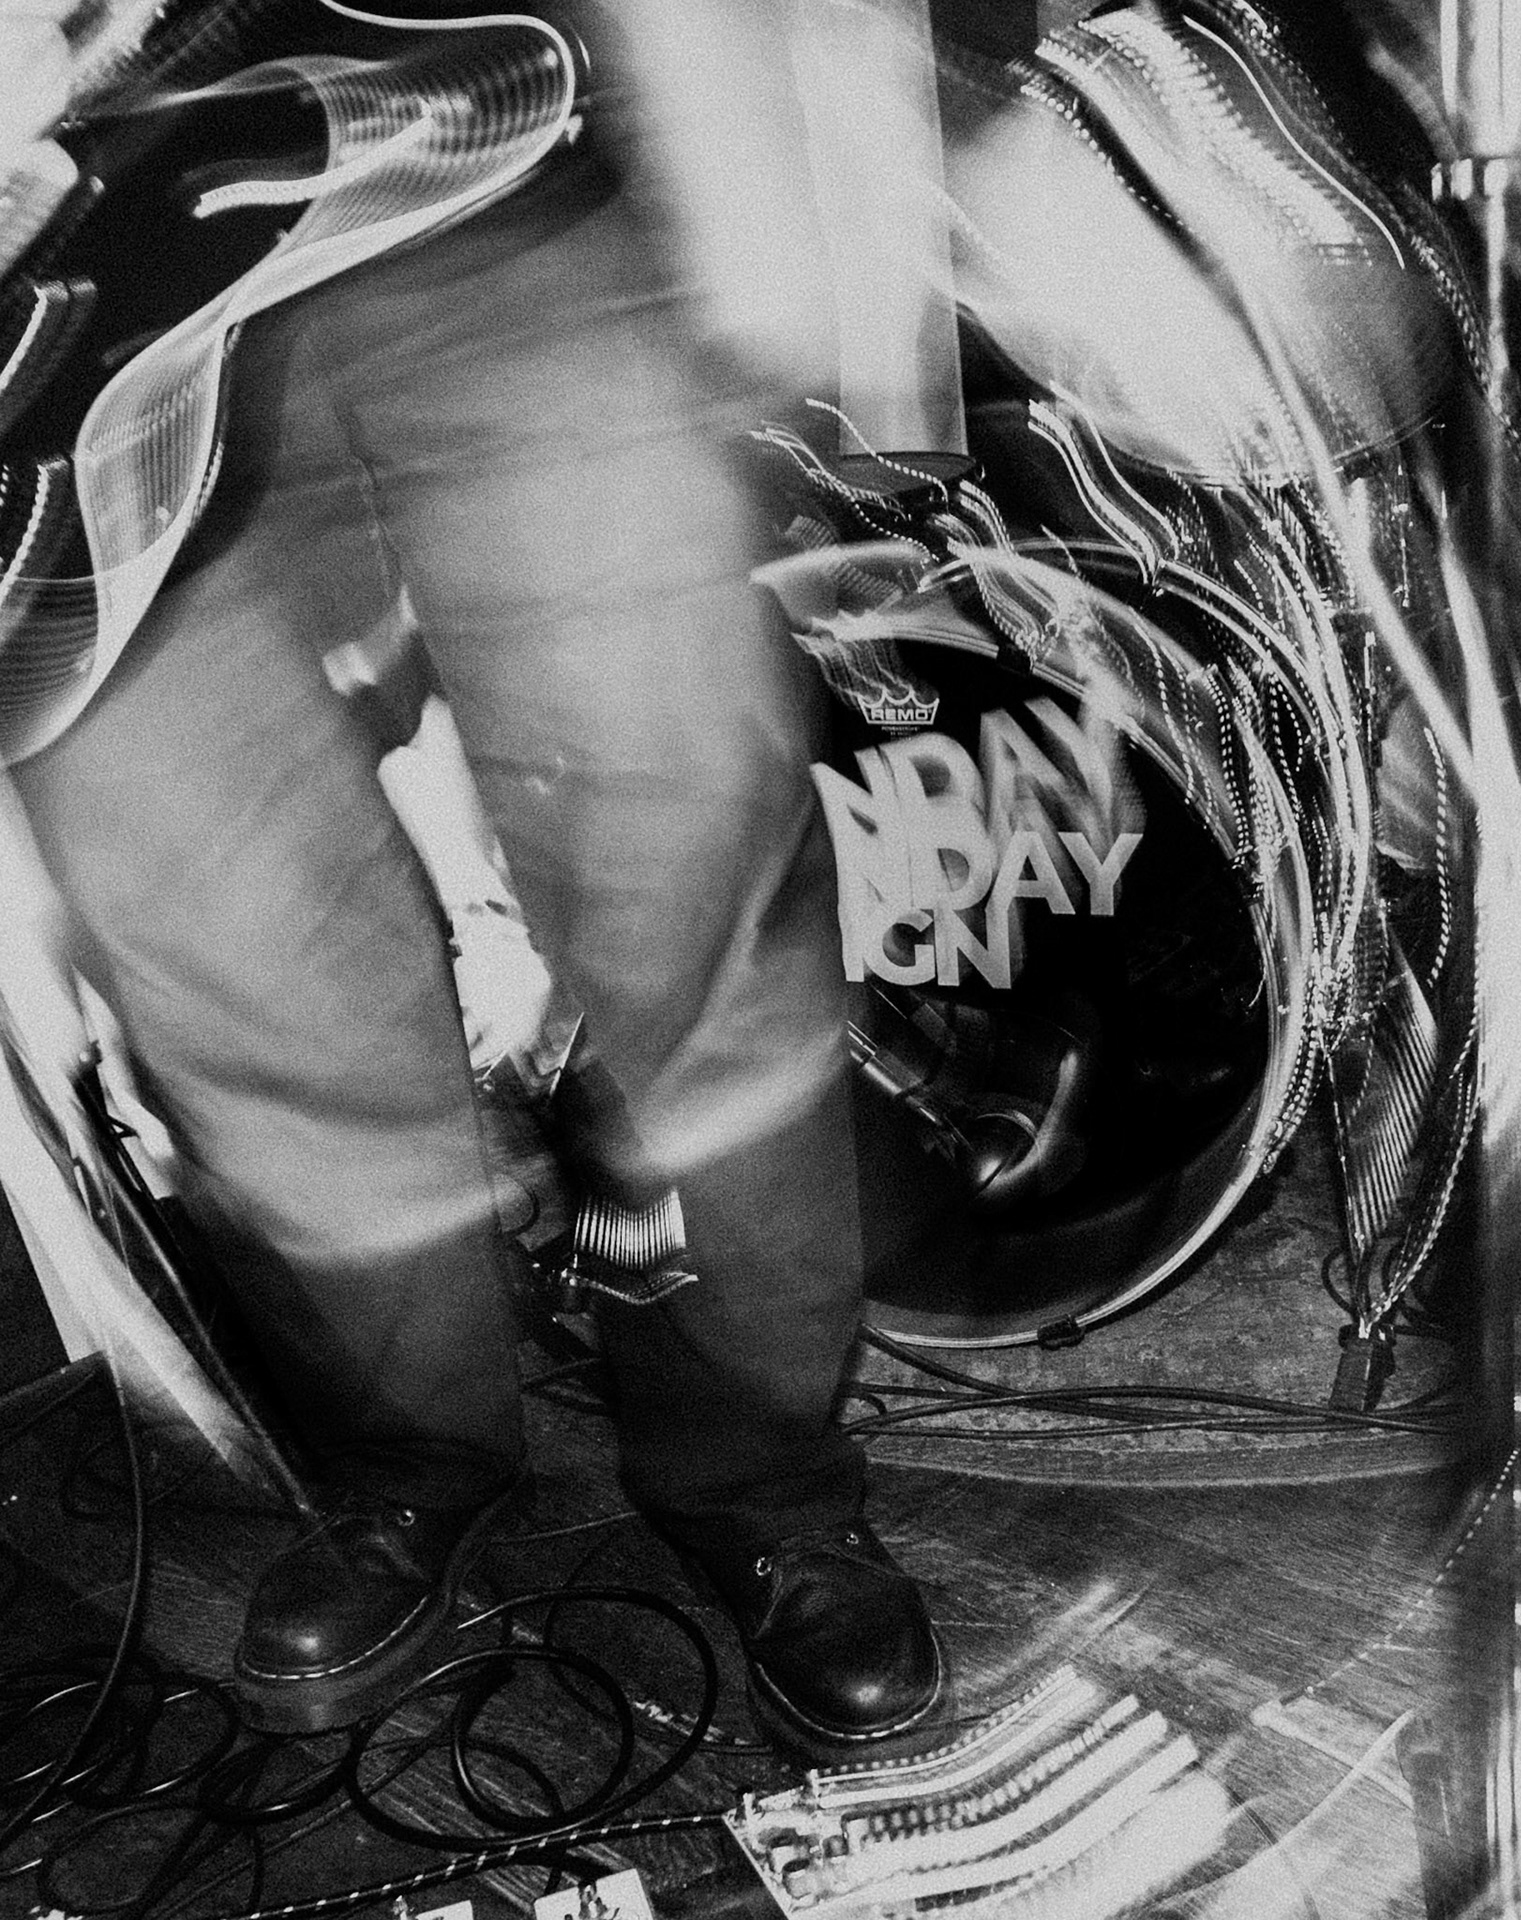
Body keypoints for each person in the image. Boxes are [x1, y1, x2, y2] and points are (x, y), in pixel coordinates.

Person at [0, 0, 945, 1757]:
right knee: (243, 971)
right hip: (40, 343)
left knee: (684, 861)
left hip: (462, 143)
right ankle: (409, 1465)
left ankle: (765, 1480)